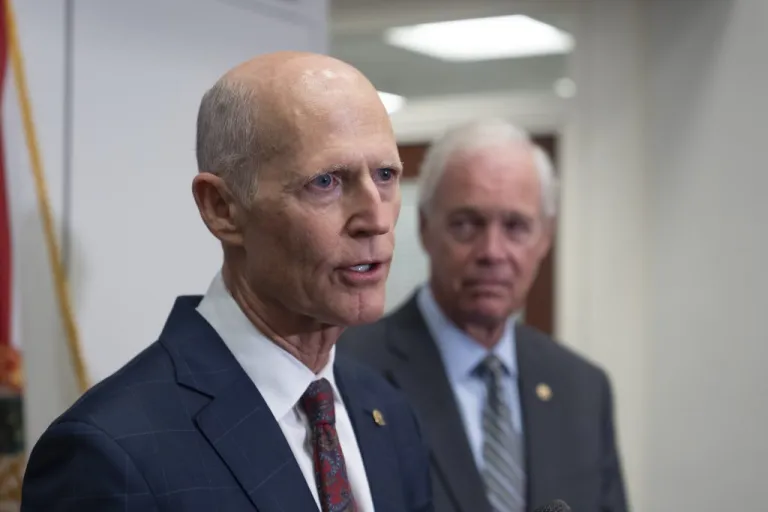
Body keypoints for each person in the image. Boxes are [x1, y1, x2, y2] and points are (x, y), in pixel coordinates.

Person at [21, 52, 432, 512]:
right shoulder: (108, 452)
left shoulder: (388, 413)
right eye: (326, 182)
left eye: (385, 175)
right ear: (221, 208)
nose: (376, 219)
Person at [338, 119, 628, 512]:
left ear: (545, 238)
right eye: (466, 224)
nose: (492, 251)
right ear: (425, 228)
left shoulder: (582, 389)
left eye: (516, 226)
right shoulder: (349, 372)